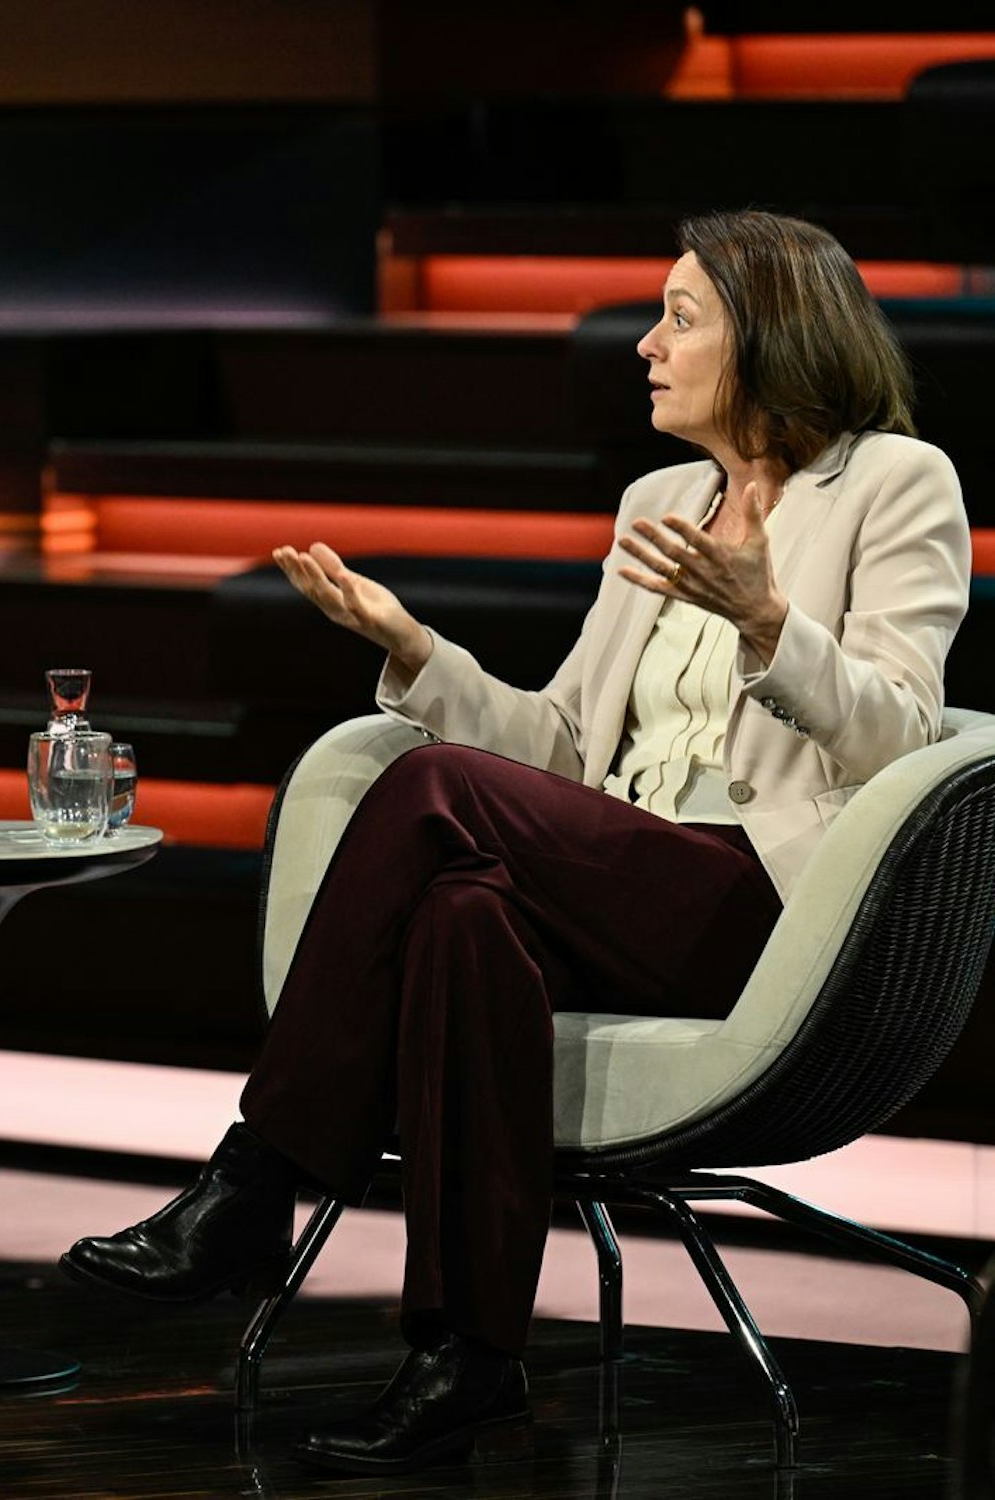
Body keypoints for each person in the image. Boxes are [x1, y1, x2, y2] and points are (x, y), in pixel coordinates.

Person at [61, 210, 971, 1476]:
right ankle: (465, 1362)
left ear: (768, 337)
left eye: (680, 317)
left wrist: (769, 624)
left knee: (441, 794)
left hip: (761, 912)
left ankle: (257, 1175)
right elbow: (554, 751)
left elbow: (905, 739)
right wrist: (413, 652)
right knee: (460, 916)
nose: (645, 345)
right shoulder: (657, 501)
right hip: (613, 880)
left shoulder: (892, 483)